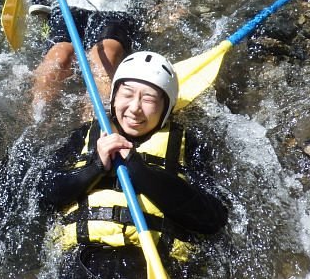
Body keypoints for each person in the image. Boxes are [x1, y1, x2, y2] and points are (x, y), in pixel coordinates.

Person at [41, 51, 228, 278]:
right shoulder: (86, 136)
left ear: (166, 107)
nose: (135, 108)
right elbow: (45, 195)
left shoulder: (188, 144)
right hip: (82, 261)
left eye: (148, 99)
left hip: (156, 263)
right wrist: (95, 168)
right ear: (114, 97)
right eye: (127, 94)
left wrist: (140, 171)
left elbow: (212, 219)